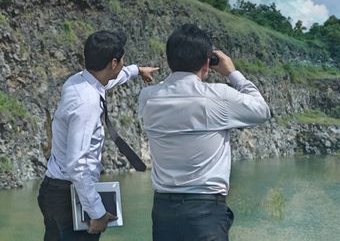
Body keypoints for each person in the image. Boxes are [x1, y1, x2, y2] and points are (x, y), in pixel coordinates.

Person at [139, 24, 271, 241]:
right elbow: (262, 110)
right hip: (205, 212)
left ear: (169, 60)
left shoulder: (148, 97)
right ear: (207, 63)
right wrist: (232, 73)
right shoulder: (218, 96)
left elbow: (171, 87)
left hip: (163, 212)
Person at [38, 30, 158, 240]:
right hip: (69, 197)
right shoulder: (88, 104)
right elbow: (78, 165)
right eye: (122, 61)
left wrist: (137, 70)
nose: (123, 63)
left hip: (53, 190)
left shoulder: (78, 81)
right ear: (113, 63)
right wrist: (97, 213)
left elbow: (112, 80)